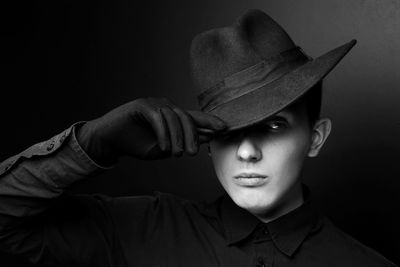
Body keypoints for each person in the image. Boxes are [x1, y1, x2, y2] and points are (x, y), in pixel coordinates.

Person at [0, 9, 396, 267]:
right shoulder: (139, 229)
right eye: (228, 131)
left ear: (315, 137)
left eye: (274, 126)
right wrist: (91, 143)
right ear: (206, 138)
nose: (246, 151)